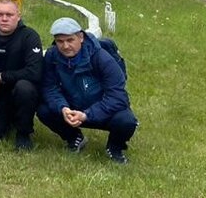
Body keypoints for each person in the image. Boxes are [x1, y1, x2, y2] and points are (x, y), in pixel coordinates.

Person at [39, 18, 137, 164]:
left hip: (103, 111)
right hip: (72, 110)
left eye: (70, 40)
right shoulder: (52, 56)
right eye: (60, 41)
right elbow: (49, 87)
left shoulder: (102, 58)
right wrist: (63, 108)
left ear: (81, 37)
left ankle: (115, 148)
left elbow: (118, 97)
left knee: (126, 121)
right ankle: (74, 138)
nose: (65, 46)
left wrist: (86, 115)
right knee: (43, 110)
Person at [0, 0, 44, 150]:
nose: (4, 18)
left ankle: (24, 132)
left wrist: (2, 76)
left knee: (24, 87)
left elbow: (35, 72)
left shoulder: (29, 36)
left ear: (18, 16)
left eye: (9, 14)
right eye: (0, 14)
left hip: (25, 90)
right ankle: (8, 120)